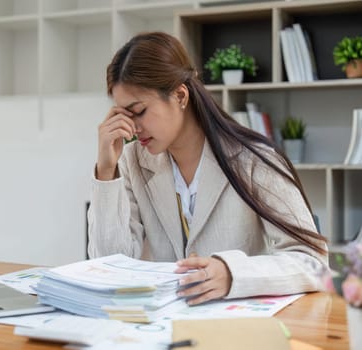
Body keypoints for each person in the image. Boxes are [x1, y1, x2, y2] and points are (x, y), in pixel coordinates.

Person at [87, 32, 328, 306]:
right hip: (165, 330)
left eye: (139, 111)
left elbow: (313, 262)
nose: (133, 128)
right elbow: (108, 266)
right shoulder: (132, 161)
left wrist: (232, 274)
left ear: (179, 96)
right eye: (124, 114)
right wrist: (106, 170)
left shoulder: (253, 159)